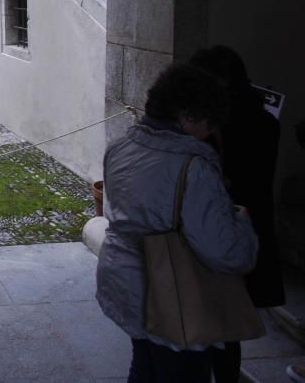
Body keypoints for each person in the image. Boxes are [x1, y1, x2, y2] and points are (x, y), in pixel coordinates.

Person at [97, 63, 259, 382]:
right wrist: (241, 223)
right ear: (187, 115)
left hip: (126, 281)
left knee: (144, 363)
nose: (211, 131)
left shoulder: (120, 147)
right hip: (172, 294)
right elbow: (225, 252)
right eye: (209, 122)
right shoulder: (193, 167)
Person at [188, 46, 284, 383]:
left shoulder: (229, 127)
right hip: (239, 229)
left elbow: (232, 183)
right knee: (223, 324)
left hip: (226, 231)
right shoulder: (261, 120)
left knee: (218, 322)